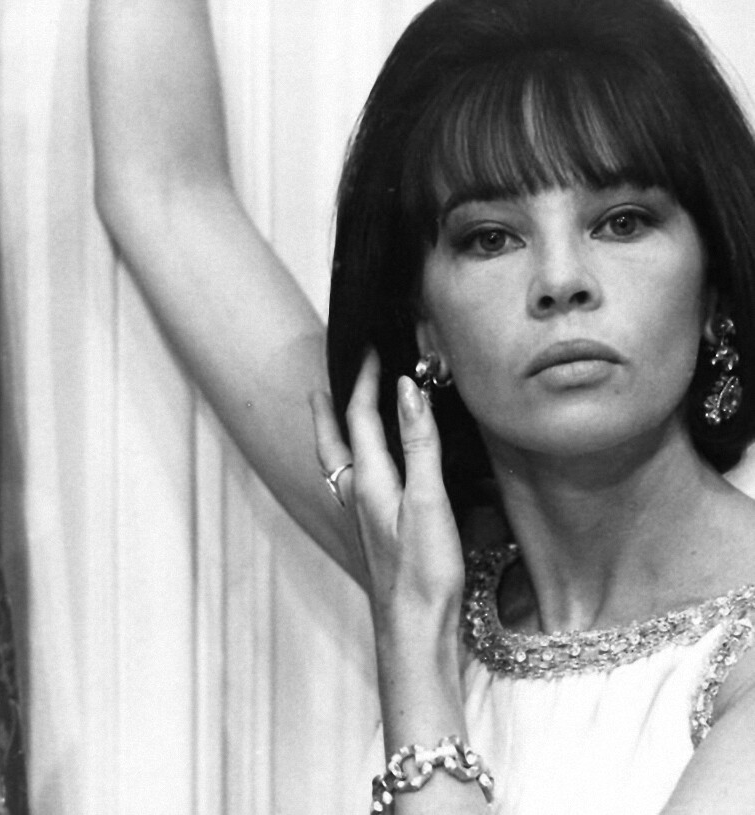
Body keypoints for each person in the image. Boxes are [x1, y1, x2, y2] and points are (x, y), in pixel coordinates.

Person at [89, 0, 755, 811]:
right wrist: (422, 605)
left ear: (715, 287)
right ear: (425, 326)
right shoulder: (428, 559)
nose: (560, 279)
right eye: (490, 237)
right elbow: (162, 188)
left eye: (621, 222)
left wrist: (416, 650)